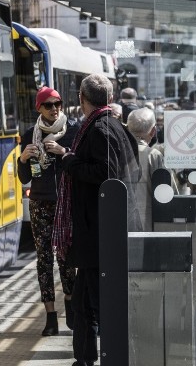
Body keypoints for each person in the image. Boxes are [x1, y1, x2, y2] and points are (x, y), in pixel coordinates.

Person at [47, 74, 140, 366]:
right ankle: (84, 359)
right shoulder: (116, 126)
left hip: (98, 233)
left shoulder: (100, 129)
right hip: (99, 232)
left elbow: (105, 174)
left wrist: (68, 159)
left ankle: (104, 357)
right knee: (84, 302)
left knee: (97, 305)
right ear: (109, 98)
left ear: (81, 99)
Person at [17, 86, 79, 336]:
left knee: (66, 257)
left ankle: (71, 308)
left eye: (58, 104)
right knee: (44, 259)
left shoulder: (72, 131)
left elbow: (78, 165)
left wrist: (63, 152)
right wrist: (23, 159)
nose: (55, 109)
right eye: (49, 105)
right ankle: (50, 316)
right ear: (39, 108)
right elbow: (23, 179)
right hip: (40, 202)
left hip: (65, 202)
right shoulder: (30, 134)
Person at [126, 107, 166, 231]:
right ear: (153, 131)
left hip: (120, 221)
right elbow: (165, 191)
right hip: (146, 222)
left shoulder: (117, 151)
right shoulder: (153, 155)